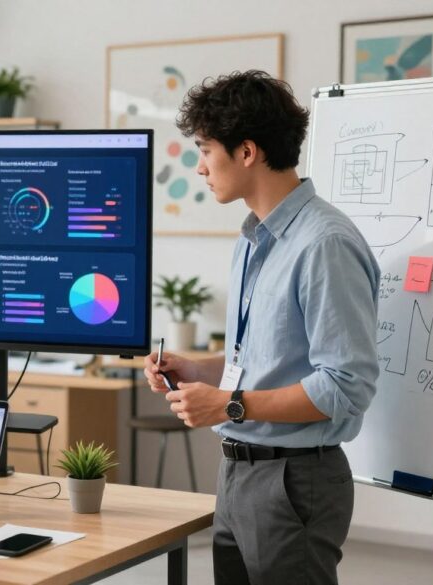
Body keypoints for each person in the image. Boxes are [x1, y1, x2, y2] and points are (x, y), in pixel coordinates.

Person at [143, 71, 380, 584]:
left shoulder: (324, 244)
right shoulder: (252, 240)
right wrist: (197, 369)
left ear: (247, 152)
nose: (200, 166)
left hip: (294, 479)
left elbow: (345, 386)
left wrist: (228, 404)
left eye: (206, 150)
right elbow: (257, 363)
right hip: (238, 472)